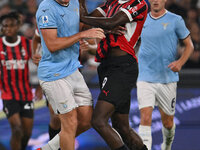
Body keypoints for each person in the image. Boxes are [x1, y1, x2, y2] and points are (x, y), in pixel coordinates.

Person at [35, 0, 105, 149]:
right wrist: (81, 35)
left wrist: (103, 31)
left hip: (73, 70)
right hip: (54, 73)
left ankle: (47, 148)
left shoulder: (75, 3)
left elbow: (82, 28)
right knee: (68, 123)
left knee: (86, 121)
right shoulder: (46, 8)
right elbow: (52, 45)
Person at [80, 0, 148, 150]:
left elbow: (112, 22)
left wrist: (102, 24)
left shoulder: (139, 3)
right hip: (106, 66)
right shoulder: (110, 3)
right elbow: (86, 22)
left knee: (98, 121)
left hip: (123, 67)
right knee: (121, 126)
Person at [136, 0, 194, 150]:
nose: (156, 1)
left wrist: (180, 63)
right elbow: (130, 43)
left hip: (167, 79)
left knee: (168, 123)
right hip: (145, 77)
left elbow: (189, 45)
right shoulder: (140, 20)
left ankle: (167, 145)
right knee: (145, 117)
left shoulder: (175, 20)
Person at [0, 12, 36, 150]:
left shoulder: (27, 44)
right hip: (8, 94)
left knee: (27, 133)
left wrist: (40, 85)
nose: (8, 29)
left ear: (18, 26)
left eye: (11, 25)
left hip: (26, 93)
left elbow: (40, 64)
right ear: (2, 28)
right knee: (17, 129)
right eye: (5, 26)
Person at [31, 29, 61, 141]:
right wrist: (35, 54)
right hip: (51, 75)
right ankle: (55, 146)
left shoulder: (76, 19)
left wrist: (91, 46)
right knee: (57, 117)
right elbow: (36, 38)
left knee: (79, 119)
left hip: (73, 73)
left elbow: (91, 40)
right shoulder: (46, 19)